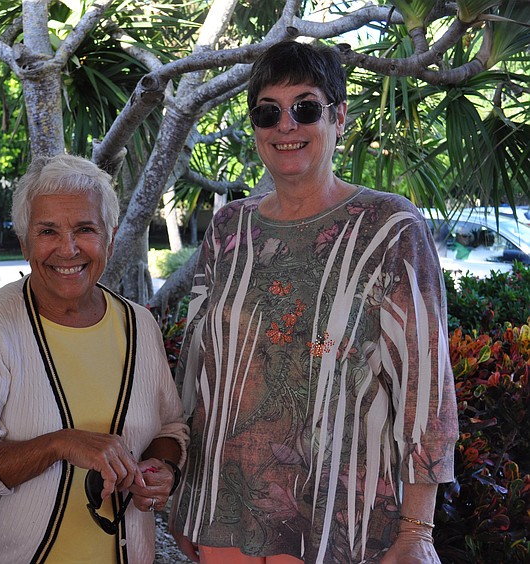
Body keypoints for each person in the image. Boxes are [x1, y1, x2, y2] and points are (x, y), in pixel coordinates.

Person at [169, 41, 459, 564]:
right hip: (223, 516)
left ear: (339, 116)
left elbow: (425, 388)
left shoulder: (389, 229)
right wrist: (189, 499)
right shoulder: (228, 230)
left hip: (338, 523)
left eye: (306, 108)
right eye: (268, 112)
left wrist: (418, 530)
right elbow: (199, 371)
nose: (287, 126)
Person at [0, 154, 189, 563]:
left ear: (111, 238)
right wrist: (61, 444)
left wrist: (161, 469)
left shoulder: (139, 326)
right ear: (25, 241)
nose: (67, 249)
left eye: (85, 229)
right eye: (48, 231)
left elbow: (170, 426)